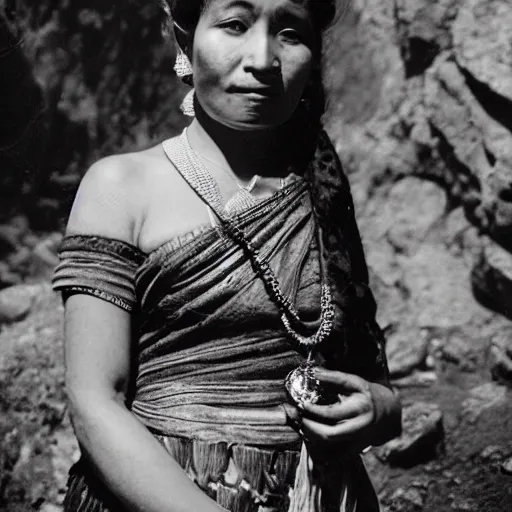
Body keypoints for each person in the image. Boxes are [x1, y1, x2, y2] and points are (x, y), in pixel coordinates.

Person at [52, 0, 402, 511]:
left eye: (290, 33)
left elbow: (366, 369)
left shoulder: (320, 188)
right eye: (235, 25)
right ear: (184, 40)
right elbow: (93, 401)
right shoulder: (121, 187)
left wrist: (381, 410)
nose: (262, 58)